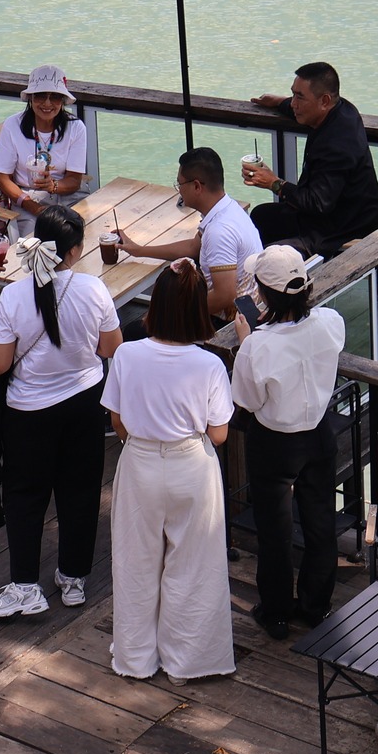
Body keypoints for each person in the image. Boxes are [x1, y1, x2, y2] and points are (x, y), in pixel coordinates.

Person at [0, 204, 123, 619]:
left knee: (25, 495)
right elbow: (110, 348)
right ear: (75, 250)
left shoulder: (14, 295)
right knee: (81, 491)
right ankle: (73, 578)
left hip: (29, 411)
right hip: (84, 403)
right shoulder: (93, 289)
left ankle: (26, 586)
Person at [105, 260, 235, 684]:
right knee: (194, 567)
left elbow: (117, 420)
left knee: (135, 564)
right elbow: (218, 434)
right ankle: (187, 662)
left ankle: (136, 658)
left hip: (140, 463)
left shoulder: (127, 354)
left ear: (156, 305)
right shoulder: (209, 365)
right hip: (191, 467)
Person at [229, 245, 345, 640]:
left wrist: (248, 340)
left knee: (274, 530)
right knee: (320, 523)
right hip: (318, 433)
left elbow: (247, 400)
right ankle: (315, 606)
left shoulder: (257, 345)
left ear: (263, 294)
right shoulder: (330, 322)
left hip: (275, 442)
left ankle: (276, 613)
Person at [242, 62, 378, 255]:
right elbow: (301, 110)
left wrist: (274, 183)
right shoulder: (343, 110)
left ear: (324, 101)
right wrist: (279, 102)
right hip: (329, 214)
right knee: (261, 216)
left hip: (341, 228)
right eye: (293, 94)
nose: (293, 103)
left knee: (268, 257)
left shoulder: (337, 145)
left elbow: (317, 203)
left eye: (299, 97)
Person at [116, 146, 262, 319]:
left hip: (231, 321)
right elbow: (193, 248)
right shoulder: (228, 208)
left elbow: (224, 296)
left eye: (180, 184)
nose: (179, 190)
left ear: (197, 186)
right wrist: (139, 250)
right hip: (250, 305)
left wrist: (174, 315)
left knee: (137, 328)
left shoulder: (219, 231)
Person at [0, 66, 88, 237]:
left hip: (67, 194)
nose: (47, 103)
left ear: (62, 100)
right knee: (37, 240)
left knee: (83, 231)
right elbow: (2, 178)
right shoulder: (13, 125)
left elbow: (74, 180)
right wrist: (32, 206)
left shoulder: (76, 127)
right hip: (26, 196)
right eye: (40, 95)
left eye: (55, 96)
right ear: (30, 98)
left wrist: (53, 186)